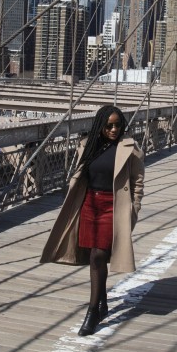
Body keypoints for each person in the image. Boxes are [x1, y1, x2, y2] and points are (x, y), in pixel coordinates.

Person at [41, 105, 145, 336]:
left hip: (113, 206)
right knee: (94, 256)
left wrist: (133, 208)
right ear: (100, 126)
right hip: (90, 204)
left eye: (118, 125)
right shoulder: (88, 146)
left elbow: (137, 182)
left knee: (99, 254)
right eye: (109, 125)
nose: (114, 129)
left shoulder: (130, 148)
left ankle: (92, 312)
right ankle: (102, 300)